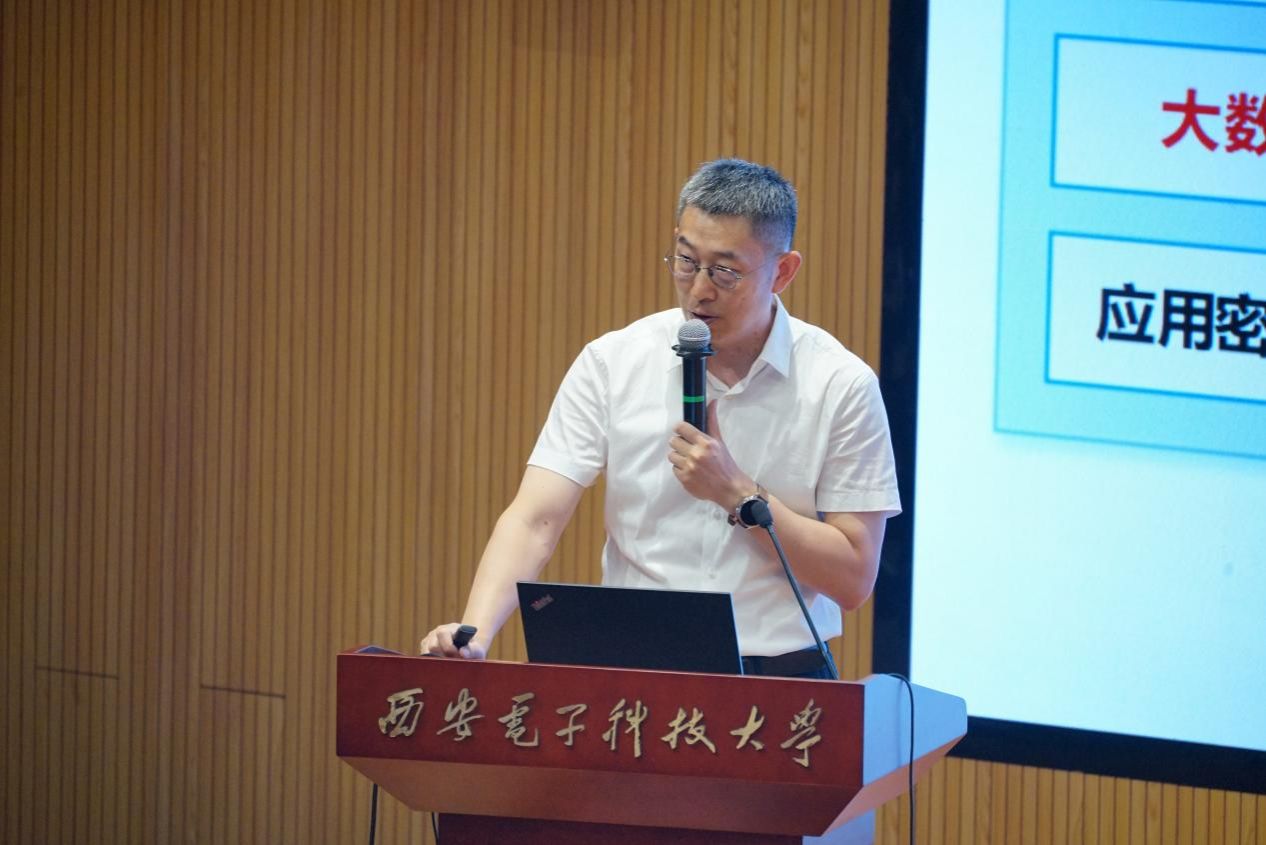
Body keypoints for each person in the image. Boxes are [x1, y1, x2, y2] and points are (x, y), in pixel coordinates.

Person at [420, 159, 900, 678]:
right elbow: (535, 519)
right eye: (686, 261)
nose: (699, 290)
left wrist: (739, 496)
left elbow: (853, 578)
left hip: (778, 676)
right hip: (635, 673)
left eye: (725, 271)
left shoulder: (840, 384)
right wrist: (475, 632)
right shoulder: (613, 362)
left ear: (782, 272)